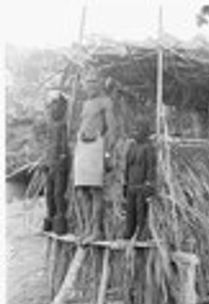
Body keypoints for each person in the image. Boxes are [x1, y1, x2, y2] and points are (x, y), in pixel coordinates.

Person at [74, 73, 117, 240]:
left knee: (95, 190)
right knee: (82, 190)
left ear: (99, 85)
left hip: (96, 147)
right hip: (82, 147)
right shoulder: (85, 104)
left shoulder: (105, 102)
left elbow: (112, 130)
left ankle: (96, 230)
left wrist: (107, 154)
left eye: (93, 82)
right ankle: (86, 228)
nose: (90, 86)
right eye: (87, 83)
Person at [123, 117, 157, 240]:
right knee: (130, 210)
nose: (136, 131)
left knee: (141, 210)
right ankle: (129, 230)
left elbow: (151, 167)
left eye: (140, 128)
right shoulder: (131, 147)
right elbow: (127, 167)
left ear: (146, 131)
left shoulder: (148, 148)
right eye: (135, 128)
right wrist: (125, 182)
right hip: (131, 185)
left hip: (141, 186)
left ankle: (141, 231)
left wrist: (149, 184)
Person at [43, 91, 69, 235]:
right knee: (49, 193)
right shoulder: (50, 125)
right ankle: (50, 215)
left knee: (59, 192)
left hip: (59, 164)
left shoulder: (62, 125)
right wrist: (46, 161)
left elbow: (64, 146)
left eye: (56, 107)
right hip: (51, 163)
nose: (53, 110)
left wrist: (62, 159)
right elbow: (48, 144)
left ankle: (60, 217)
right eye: (52, 107)